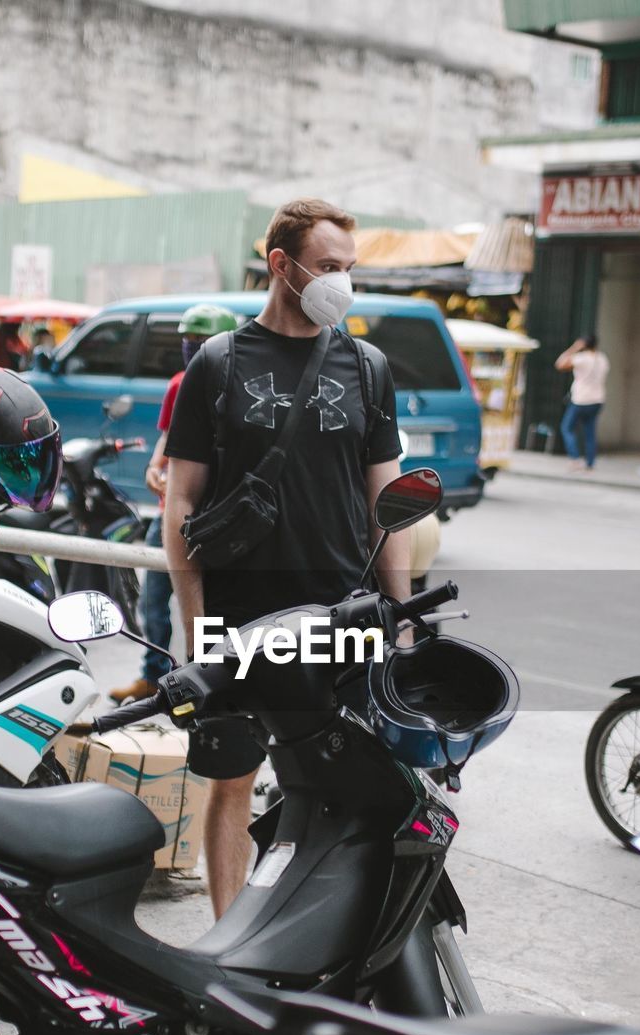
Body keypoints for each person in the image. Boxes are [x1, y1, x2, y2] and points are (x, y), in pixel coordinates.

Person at [164, 198, 408, 919]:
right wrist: (196, 627)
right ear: (282, 264)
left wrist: (401, 618)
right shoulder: (218, 363)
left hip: (343, 615)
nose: (342, 283)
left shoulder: (367, 367)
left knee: (344, 783)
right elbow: (180, 506)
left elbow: (385, 504)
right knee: (233, 781)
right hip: (241, 616)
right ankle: (228, 948)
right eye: (329, 267)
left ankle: (323, 937)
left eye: (349, 269)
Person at [110, 302, 238, 705]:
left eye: (200, 341)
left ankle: (213, 682)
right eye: (188, 341)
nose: (192, 348)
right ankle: (155, 676)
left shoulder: (240, 389)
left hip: (218, 517)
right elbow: (168, 436)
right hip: (171, 513)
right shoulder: (179, 385)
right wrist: (154, 467)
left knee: (215, 606)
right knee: (153, 599)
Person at [555, 334, 608, 471]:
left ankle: (575, 458)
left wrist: (574, 348)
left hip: (581, 399)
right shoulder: (602, 359)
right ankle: (590, 462)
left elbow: (560, 364)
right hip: (597, 399)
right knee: (590, 432)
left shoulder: (581, 358)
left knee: (566, 427)